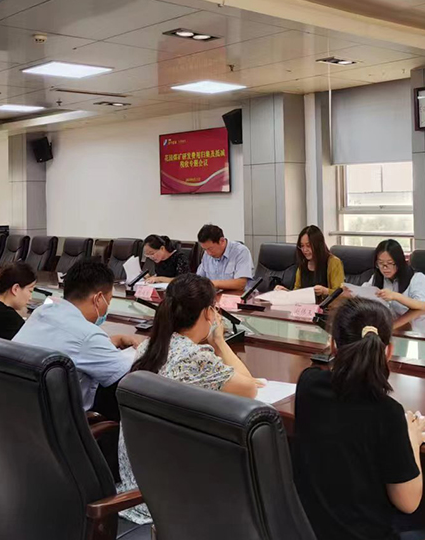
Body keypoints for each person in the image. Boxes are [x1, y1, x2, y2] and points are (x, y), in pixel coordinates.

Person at [116, 273, 260, 524]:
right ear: (208, 313)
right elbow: (249, 389)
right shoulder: (196, 358)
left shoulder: (148, 348)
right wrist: (219, 341)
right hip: (171, 499)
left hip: (134, 488)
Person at [292, 298, 425, 540]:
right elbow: (408, 502)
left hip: (311, 530)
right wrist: (412, 440)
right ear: (388, 351)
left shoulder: (308, 384)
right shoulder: (387, 412)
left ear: (333, 345)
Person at [13, 259, 142, 413]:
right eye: (108, 301)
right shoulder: (87, 335)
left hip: (18, 412)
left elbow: (66, 341)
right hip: (57, 421)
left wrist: (108, 342)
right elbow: (127, 375)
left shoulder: (42, 311)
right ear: (98, 299)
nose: (107, 306)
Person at [357, 239, 425, 312]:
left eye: (390, 263)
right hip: (385, 319)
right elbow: (365, 292)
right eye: (380, 263)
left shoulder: (417, 278)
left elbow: (423, 306)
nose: (385, 268)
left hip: (411, 320)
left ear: (399, 262)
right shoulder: (377, 277)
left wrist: (395, 296)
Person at [275, 225, 343, 296]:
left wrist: (325, 291)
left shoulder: (333, 262)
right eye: (302, 246)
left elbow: (341, 294)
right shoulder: (303, 264)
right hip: (305, 303)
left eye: (308, 246)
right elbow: (297, 291)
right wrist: (286, 292)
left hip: (326, 303)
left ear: (318, 245)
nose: (305, 250)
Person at [195, 224, 253, 293]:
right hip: (216, 296)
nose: (208, 253)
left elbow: (241, 284)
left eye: (210, 248)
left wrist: (212, 283)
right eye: (205, 249)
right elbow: (198, 280)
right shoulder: (207, 254)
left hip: (239, 296)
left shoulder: (241, 251)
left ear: (222, 241)